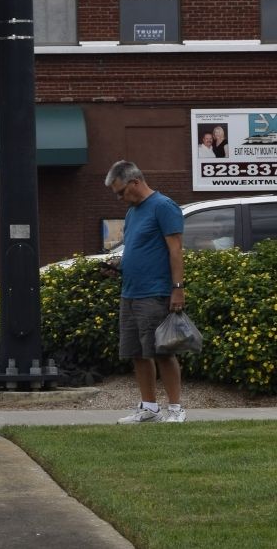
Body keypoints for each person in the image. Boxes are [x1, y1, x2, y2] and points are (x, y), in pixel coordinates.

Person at [105, 159, 186, 423]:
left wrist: (177, 289)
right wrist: (118, 266)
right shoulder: (132, 211)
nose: (119, 198)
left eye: (121, 192)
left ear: (135, 182)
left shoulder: (163, 206)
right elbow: (137, 249)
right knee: (137, 353)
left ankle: (176, 409)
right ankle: (149, 408)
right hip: (131, 293)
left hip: (156, 292)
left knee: (162, 351)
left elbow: (175, 250)